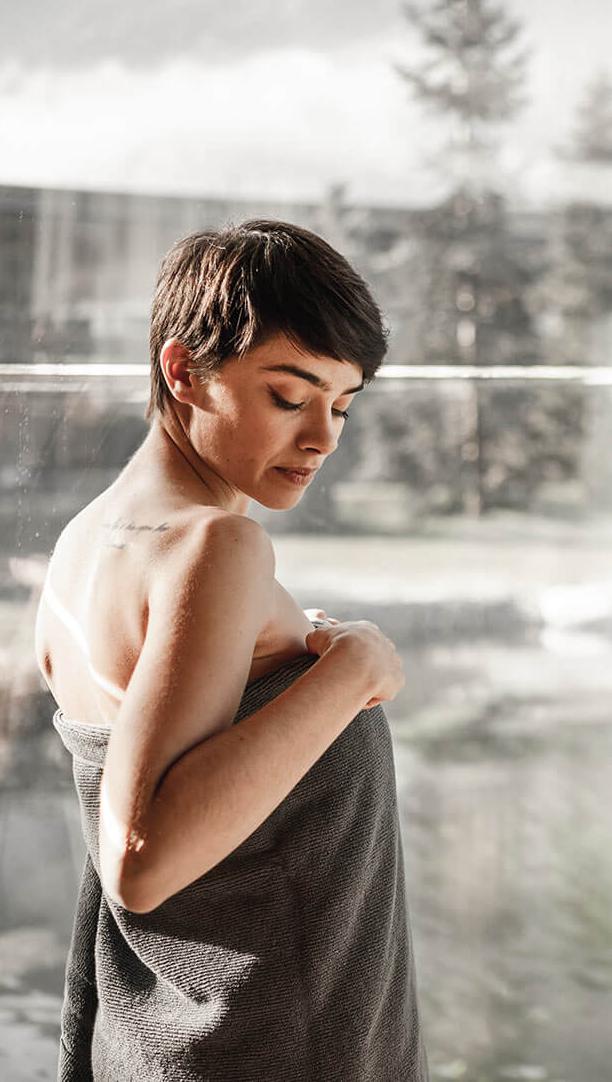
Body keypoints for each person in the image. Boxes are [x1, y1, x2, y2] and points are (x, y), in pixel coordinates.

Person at [35, 219, 427, 1081]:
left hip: (157, 1036)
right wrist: (355, 668)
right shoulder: (217, 547)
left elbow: (176, 727)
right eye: (290, 396)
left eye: (342, 405)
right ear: (183, 371)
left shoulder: (82, 541)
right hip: (278, 1043)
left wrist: (285, 660)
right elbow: (141, 857)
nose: (323, 436)